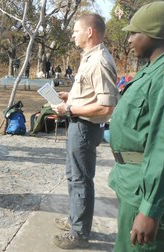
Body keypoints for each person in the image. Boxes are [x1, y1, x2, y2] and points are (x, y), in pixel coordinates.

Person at [108, 1, 164, 251]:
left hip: (144, 189)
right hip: (132, 182)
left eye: (134, 33)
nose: (129, 40)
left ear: (154, 34)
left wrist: (151, 208)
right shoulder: (151, 68)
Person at [51, 14, 119, 249]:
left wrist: (70, 108)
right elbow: (91, 93)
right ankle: (74, 220)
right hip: (79, 125)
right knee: (73, 176)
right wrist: (71, 96)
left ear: (89, 32)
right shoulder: (89, 58)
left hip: (85, 128)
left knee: (80, 180)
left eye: (75, 30)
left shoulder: (99, 60)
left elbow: (107, 106)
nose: (72, 35)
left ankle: (79, 234)